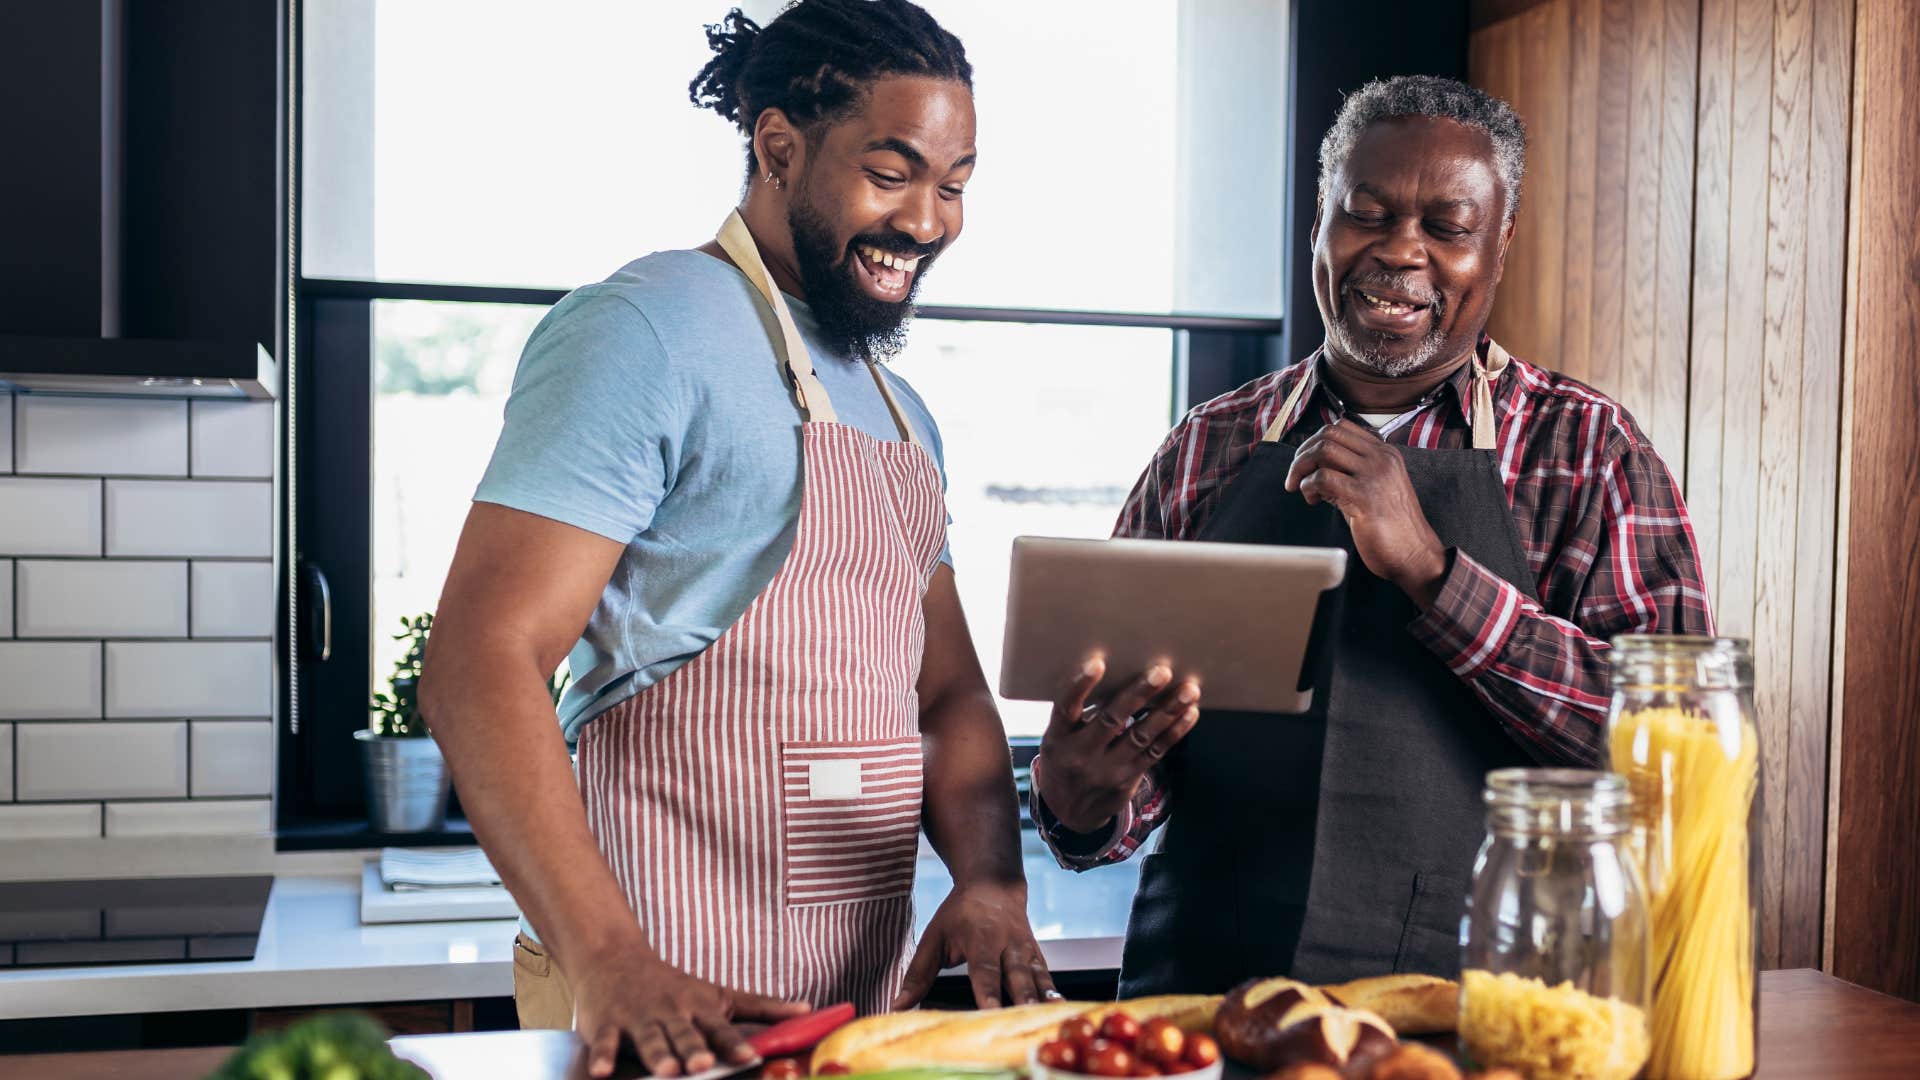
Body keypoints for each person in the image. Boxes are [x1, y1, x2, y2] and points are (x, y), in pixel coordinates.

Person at [418, 4, 1050, 1076]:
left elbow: (943, 695)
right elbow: (480, 660)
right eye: (892, 172)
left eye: (954, 185)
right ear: (777, 148)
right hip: (652, 993)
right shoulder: (645, 327)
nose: (929, 220)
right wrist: (609, 956)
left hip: (849, 1009)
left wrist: (990, 880)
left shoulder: (901, 413)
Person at [1029, 75, 1714, 996]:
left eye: (1447, 227)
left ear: (1500, 244)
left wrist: (1436, 573)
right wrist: (1082, 804)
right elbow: (1141, 760)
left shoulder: (1587, 450)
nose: (1400, 252)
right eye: (1366, 213)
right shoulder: (1208, 446)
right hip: (1205, 1002)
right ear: (1320, 219)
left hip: (1484, 1012)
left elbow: (1673, 755)